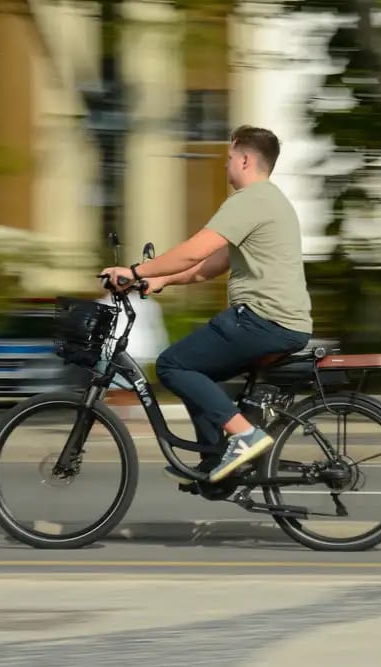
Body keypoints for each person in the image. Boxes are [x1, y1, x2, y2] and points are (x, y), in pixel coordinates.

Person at [99, 125, 312, 484]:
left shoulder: (250, 201)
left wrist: (134, 270)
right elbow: (210, 265)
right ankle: (216, 463)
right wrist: (161, 279)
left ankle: (244, 436)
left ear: (245, 159)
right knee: (199, 373)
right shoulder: (271, 201)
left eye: (229, 159)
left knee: (171, 365)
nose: (225, 166)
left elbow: (195, 250)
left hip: (262, 320)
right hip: (278, 322)